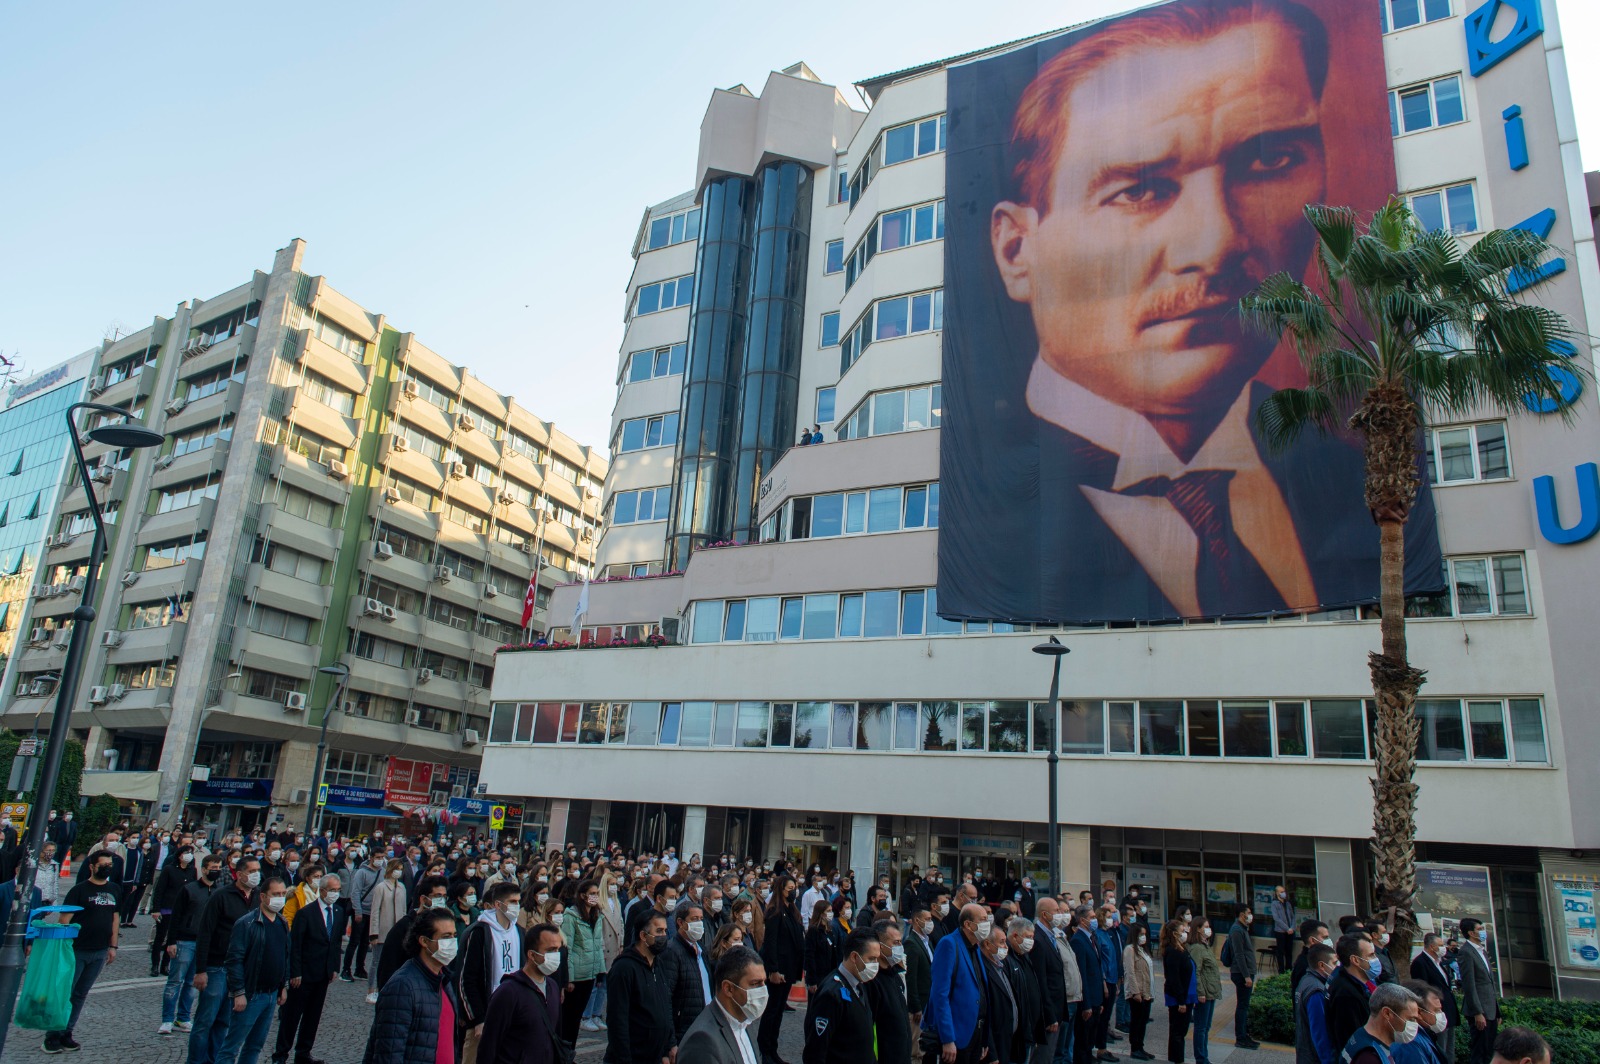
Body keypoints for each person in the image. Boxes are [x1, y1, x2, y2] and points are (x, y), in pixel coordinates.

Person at [955, 0, 1406, 626]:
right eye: (1139, 189)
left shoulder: (1366, 487)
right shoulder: (972, 515)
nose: (1216, 242)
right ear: (1016, 250)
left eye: (1271, 160)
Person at [42, 849, 122, 1053]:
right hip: (76, 949)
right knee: (64, 993)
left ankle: (67, 1032)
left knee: (80, 994)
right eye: (103, 864)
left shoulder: (114, 889)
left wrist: (113, 946)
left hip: (100, 950)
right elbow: (64, 921)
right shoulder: (79, 890)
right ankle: (52, 1035)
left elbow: (115, 918)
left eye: (109, 865)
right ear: (92, 867)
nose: (107, 868)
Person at [363, 906, 462, 1064]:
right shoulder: (402, 986)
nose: (452, 942)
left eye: (454, 935)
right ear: (423, 941)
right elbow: (389, 1052)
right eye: (445, 937)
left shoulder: (444, 980)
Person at [192, 854, 262, 1064]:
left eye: (258, 871)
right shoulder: (221, 896)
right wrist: (200, 969)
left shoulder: (258, 897)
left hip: (239, 970)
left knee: (224, 1021)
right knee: (205, 1022)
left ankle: (213, 1060)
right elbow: (205, 933)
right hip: (216, 967)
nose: (256, 875)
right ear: (239, 874)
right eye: (252, 871)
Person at [216, 877, 291, 1064]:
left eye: (283, 894)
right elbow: (234, 959)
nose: (280, 898)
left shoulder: (282, 922)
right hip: (251, 994)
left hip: (271, 993)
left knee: (255, 1045)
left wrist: (283, 985)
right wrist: (239, 992)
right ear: (264, 896)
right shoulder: (247, 923)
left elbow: (284, 956)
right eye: (276, 894)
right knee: (231, 1047)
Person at [275, 872, 347, 1064]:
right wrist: (295, 972)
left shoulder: (338, 912)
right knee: (292, 1016)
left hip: (323, 973)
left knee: (313, 1017)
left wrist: (334, 967)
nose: (335, 894)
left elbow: (336, 942)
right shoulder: (306, 913)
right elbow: (295, 945)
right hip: (304, 973)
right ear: (322, 891)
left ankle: (303, 1053)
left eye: (338, 890)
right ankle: (281, 1054)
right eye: (332, 890)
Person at [476, 921, 565, 1064]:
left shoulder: (552, 987)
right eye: (550, 950)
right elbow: (489, 1045)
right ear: (531, 954)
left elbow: (556, 1034)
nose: (556, 955)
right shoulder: (508, 992)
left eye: (558, 950)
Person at [926, 902, 994, 1064]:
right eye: (983, 919)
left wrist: (985, 1039)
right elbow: (940, 995)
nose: (987, 924)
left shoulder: (975, 946)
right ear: (968, 924)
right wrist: (947, 1038)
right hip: (956, 1034)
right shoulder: (949, 944)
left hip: (976, 1033)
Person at [162, 850, 221, 1035]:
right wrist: (171, 941)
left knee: (191, 983)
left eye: (219, 868)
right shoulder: (189, 889)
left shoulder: (220, 892)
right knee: (175, 981)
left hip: (206, 943)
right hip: (184, 939)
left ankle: (184, 1017)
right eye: (213, 868)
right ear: (203, 869)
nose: (216, 871)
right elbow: (176, 916)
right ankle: (166, 1019)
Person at [804, 925, 880, 1064]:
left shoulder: (859, 984)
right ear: (854, 957)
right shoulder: (831, 994)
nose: (875, 965)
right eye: (871, 959)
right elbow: (815, 1051)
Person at [677, 945, 766, 1064]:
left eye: (764, 982)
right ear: (728, 988)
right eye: (755, 983)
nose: (763, 990)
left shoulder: (745, 1022)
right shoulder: (703, 1041)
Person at [606, 910, 674, 1064]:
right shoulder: (624, 968)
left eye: (665, 931)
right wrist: (624, 1059)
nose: (663, 936)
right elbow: (617, 1020)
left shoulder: (658, 963)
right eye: (658, 931)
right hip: (634, 1056)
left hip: (655, 1055)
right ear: (643, 936)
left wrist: (667, 1047)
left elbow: (665, 1006)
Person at [758, 874, 804, 1064]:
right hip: (778, 969)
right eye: (789, 888)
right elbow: (771, 943)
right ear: (781, 889)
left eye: (794, 888)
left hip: (790, 967)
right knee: (771, 1011)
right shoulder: (775, 912)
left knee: (778, 1013)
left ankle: (773, 1049)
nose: (793, 891)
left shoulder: (791, 910)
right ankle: (764, 1050)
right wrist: (773, 970)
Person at [376, 874, 449, 992]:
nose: (442, 901)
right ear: (423, 899)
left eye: (444, 896)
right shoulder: (403, 927)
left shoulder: (445, 927)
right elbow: (388, 967)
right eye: (437, 896)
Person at [661, 903, 714, 1041]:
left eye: (701, 919)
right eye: (694, 919)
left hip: (706, 1022)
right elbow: (666, 998)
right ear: (680, 922)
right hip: (685, 1028)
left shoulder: (701, 949)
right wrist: (670, 1041)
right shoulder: (672, 951)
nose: (699, 923)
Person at [1027, 898, 1066, 1064]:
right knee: (1043, 1057)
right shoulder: (1038, 939)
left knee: (1050, 1055)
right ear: (1044, 914)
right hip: (1047, 1013)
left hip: (1057, 1007)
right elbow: (1041, 981)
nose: (1060, 914)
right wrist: (1049, 1015)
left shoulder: (1050, 936)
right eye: (1056, 911)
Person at [1326, 933, 1380, 1054]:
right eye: (1371, 955)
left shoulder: (1359, 984)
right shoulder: (1346, 994)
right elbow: (1352, 1038)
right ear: (1355, 960)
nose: (1376, 959)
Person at [1339, 983, 1420, 1064]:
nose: (1416, 1024)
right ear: (1387, 1013)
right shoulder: (1369, 1057)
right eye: (1411, 1019)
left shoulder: (1362, 1036)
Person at [1409, 933, 1459, 1063]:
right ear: (1432, 946)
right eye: (1441, 945)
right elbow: (1421, 990)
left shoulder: (1439, 963)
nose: (1444, 948)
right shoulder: (1420, 963)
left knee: (1450, 1047)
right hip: (1434, 1013)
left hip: (1447, 1010)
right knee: (1440, 1046)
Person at [366, 858, 409, 1003]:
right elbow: (375, 911)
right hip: (383, 929)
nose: (399, 871)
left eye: (401, 869)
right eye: (397, 868)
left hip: (397, 931)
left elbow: (403, 910)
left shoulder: (402, 887)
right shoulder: (381, 887)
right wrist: (374, 932)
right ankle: (372, 989)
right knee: (376, 961)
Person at [1457, 919, 1498, 1064]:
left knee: (1490, 1050)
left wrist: (1497, 1011)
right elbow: (1469, 985)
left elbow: (1489, 984)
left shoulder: (1482, 951)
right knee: (1480, 1051)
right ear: (1471, 933)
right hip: (1480, 1011)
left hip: (1491, 1010)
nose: (1483, 931)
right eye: (1480, 928)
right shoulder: (1466, 952)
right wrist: (1477, 1012)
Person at [873, 920, 913, 1064]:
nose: (900, 948)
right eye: (895, 943)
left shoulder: (895, 974)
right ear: (879, 944)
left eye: (900, 942)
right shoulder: (872, 981)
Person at [1069, 906, 1105, 1064]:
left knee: (1090, 1039)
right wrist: (1087, 1005)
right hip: (1087, 1001)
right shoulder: (1078, 941)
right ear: (1082, 920)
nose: (1094, 920)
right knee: (1083, 1041)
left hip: (1096, 998)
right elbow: (1082, 975)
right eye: (1091, 917)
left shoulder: (1092, 938)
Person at [344, 849, 383, 981]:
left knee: (365, 942)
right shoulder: (362, 872)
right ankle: (346, 969)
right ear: (371, 858)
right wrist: (358, 911)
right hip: (361, 911)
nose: (380, 859)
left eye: (382, 857)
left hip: (373, 912)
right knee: (354, 941)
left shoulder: (382, 872)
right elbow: (355, 892)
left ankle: (360, 968)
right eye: (378, 857)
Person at [1295, 942, 1338, 1064]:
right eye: (1334, 963)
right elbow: (1320, 1033)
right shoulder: (1316, 990)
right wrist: (1328, 1061)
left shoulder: (1306, 980)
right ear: (1322, 965)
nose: (1337, 966)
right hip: (1313, 1058)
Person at [1159, 921, 1195, 1064]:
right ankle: (1177, 1059)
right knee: (1178, 1031)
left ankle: (1175, 1057)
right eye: (1182, 930)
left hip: (1186, 996)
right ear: (1175, 933)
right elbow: (1174, 978)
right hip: (1178, 998)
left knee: (1180, 1030)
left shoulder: (1180, 948)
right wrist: (1181, 1000)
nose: (1185, 932)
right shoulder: (1172, 951)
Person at [1186, 917, 1220, 1064]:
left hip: (1211, 992)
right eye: (1205, 926)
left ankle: (1204, 1056)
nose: (1209, 929)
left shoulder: (1205, 946)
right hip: (1204, 993)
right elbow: (1196, 971)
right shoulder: (1197, 948)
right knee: (1200, 1027)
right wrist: (1200, 992)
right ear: (1198, 929)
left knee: (1206, 1027)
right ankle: (1201, 1058)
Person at [1226, 906, 1260, 1049]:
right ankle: (1240, 1038)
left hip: (1245, 972)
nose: (1250, 916)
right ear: (1241, 915)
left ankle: (1244, 1035)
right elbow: (1239, 954)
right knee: (1242, 1006)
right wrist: (1246, 976)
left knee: (1244, 1005)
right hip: (1241, 973)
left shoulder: (1242, 928)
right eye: (1248, 913)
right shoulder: (1237, 930)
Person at [1393, 981, 1450, 1064]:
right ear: (1418, 1012)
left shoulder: (1421, 1034)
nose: (1441, 1014)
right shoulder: (1410, 1043)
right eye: (1436, 1010)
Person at [1121, 921, 1154, 1061]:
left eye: (1145, 934)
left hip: (1147, 992)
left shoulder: (1143, 949)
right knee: (1137, 1020)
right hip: (1137, 993)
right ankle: (1135, 1048)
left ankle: (1140, 1046)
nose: (1143, 937)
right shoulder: (1130, 949)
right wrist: (1135, 992)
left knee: (1143, 1021)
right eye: (1141, 934)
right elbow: (1130, 972)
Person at [805, 899, 841, 994]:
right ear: (821, 913)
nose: (831, 913)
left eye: (831, 911)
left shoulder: (829, 931)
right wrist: (812, 980)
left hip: (829, 974)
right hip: (818, 975)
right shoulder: (814, 930)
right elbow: (810, 955)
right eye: (828, 911)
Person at [1292, 920, 1332, 992]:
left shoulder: (1317, 959)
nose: (1329, 941)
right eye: (1325, 937)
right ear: (1312, 940)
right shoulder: (1304, 965)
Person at [1270, 887, 1298, 975]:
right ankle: (1281, 971)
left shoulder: (1288, 904)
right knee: (1281, 952)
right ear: (1277, 893)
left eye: (1284, 891)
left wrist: (1292, 928)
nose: (1284, 893)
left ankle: (1289, 968)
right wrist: (1287, 928)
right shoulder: (1274, 904)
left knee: (1289, 951)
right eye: (1282, 892)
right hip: (1280, 932)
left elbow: (1293, 917)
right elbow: (1276, 918)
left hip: (1290, 932)